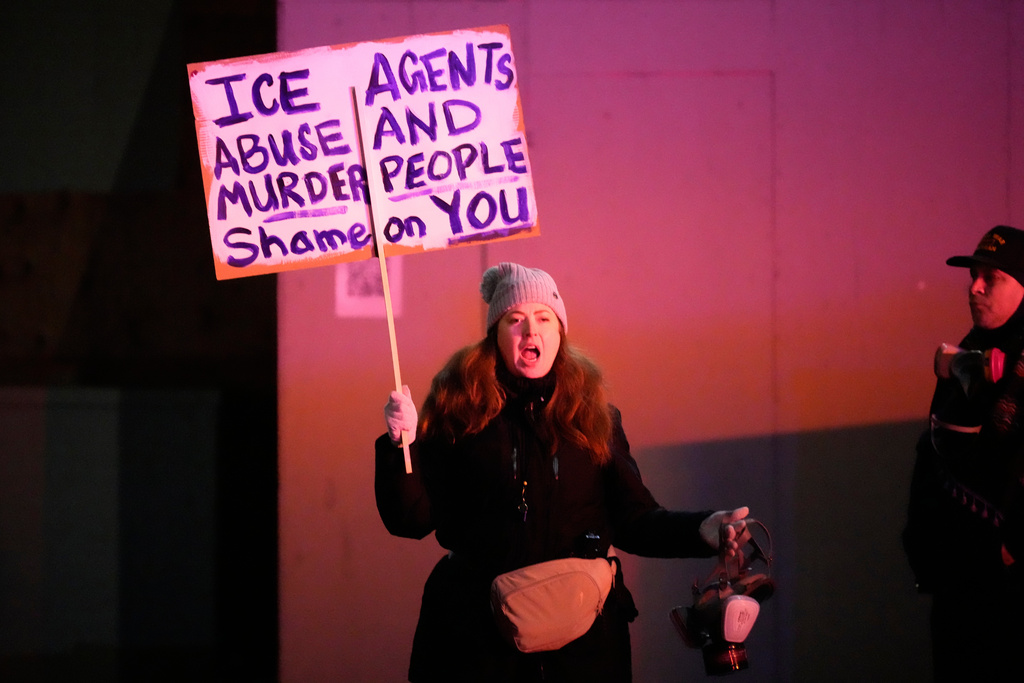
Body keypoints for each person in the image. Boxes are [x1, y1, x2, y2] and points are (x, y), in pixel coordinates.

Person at [375, 262, 752, 683]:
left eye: (543, 319)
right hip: (478, 646)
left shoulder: (594, 418)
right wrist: (400, 447)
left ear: (559, 333)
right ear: (495, 336)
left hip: (582, 649)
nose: (530, 332)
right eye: (515, 320)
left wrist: (704, 529)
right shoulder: (460, 417)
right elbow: (410, 519)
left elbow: (635, 520)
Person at [902, 226, 1024, 682]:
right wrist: (922, 546)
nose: (974, 287)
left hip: (1006, 591)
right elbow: (938, 448)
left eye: (990, 278)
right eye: (973, 275)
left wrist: (1012, 546)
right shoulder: (970, 347)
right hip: (959, 582)